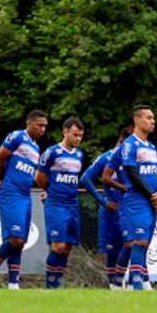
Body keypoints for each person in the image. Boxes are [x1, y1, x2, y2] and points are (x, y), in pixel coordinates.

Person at [35, 117, 111, 288]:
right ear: (65, 132)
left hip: (73, 205)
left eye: (80, 136)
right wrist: (50, 190)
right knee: (58, 245)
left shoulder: (79, 155)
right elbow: (39, 177)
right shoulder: (52, 152)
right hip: (56, 204)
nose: (78, 139)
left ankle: (57, 285)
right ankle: (49, 285)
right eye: (75, 135)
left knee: (67, 247)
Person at [110, 104, 157, 290]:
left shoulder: (151, 146)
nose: (153, 121)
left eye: (153, 118)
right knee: (139, 242)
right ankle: (136, 286)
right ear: (137, 120)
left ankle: (117, 280)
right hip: (135, 200)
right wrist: (152, 196)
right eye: (149, 118)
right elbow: (132, 174)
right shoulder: (129, 145)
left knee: (136, 243)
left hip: (150, 201)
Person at [0, 110, 47, 289]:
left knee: (20, 242)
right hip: (11, 192)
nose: (43, 129)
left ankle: (13, 284)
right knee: (15, 239)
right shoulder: (18, 136)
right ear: (29, 123)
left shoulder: (36, 148)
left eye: (45, 126)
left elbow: (32, 173)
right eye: (40, 125)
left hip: (25, 195)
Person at [81, 128, 128, 289]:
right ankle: (114, 287)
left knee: (131, 247)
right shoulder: (107, 157)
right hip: (111, 211)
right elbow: (85, 178)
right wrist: (103, 202)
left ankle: (131, 283)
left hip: (128, 210)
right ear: (121, 142)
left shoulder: (133, 160)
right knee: (112, 252)